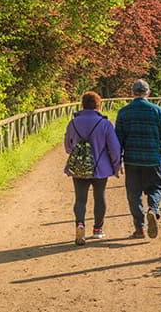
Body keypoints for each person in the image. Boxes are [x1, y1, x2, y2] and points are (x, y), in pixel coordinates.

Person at [115, 79, 161, 239]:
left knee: (133, 194)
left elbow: (118, 139)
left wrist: (117, 160)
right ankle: (153, 209)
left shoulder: (124, 112)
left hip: (132, 160)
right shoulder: (157, 111)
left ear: (132, 93)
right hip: (153, 159)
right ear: (148, 92)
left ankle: (139, 228)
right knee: (156, 188)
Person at [64, 91, 122, 246]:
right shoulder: (105, 123)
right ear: (98, 105)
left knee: (80, 199)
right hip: (100, 168)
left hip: (79, 167)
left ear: (82, 105)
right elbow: (114, 148)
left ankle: (80, 224)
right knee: (100, 197)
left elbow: (68, 146)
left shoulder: (73, 123)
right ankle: (97, 229)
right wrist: (116, 165)